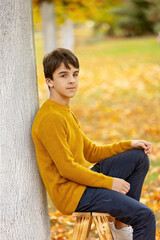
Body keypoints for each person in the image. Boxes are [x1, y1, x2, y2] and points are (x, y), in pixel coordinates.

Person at [31, 48, 155, 240]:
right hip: (72, 194)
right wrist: (110, 183)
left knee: (138, 158)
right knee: (144, 216)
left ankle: (120, 226)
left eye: (75, 74)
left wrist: (129, 144)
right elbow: (66, 169)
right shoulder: (50, 118)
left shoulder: (64, 111)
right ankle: (126, 224)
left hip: (82, 183)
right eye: (63, 75)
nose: (72, 80)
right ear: (49, 82)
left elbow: (91, 152)